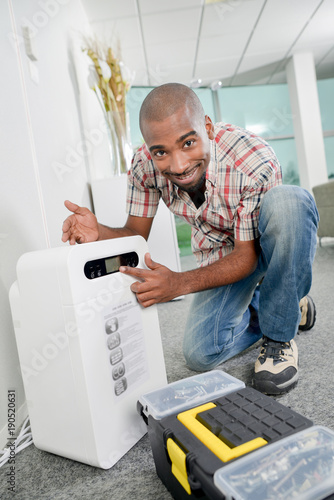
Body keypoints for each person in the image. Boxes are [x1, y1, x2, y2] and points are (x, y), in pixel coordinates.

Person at [62, 83, 319, 395]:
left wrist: (178, 283)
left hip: (261, 245)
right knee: (200, 354)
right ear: (148, 147)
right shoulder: (144, 165)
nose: (178, 165)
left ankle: (279, 334)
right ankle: (285, 304)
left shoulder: (252, 159)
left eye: (188, 143)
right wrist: (98, 231)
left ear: (207, 127)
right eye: (161, 152)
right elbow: (134, 235)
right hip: (220, 255)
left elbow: (248, 256)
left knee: (291, 202)